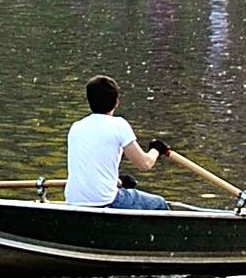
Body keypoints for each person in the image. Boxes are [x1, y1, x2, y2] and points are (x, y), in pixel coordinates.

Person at [64, 74, 171, 211]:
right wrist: (156, 149)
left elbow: (91, 169)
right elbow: (144, 164)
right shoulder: (119, 125)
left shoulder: (76, 127)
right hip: (106, 200)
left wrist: (119, 182)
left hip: (74, 200)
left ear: (89, 101)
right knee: (159, 203)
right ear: (116, 102)